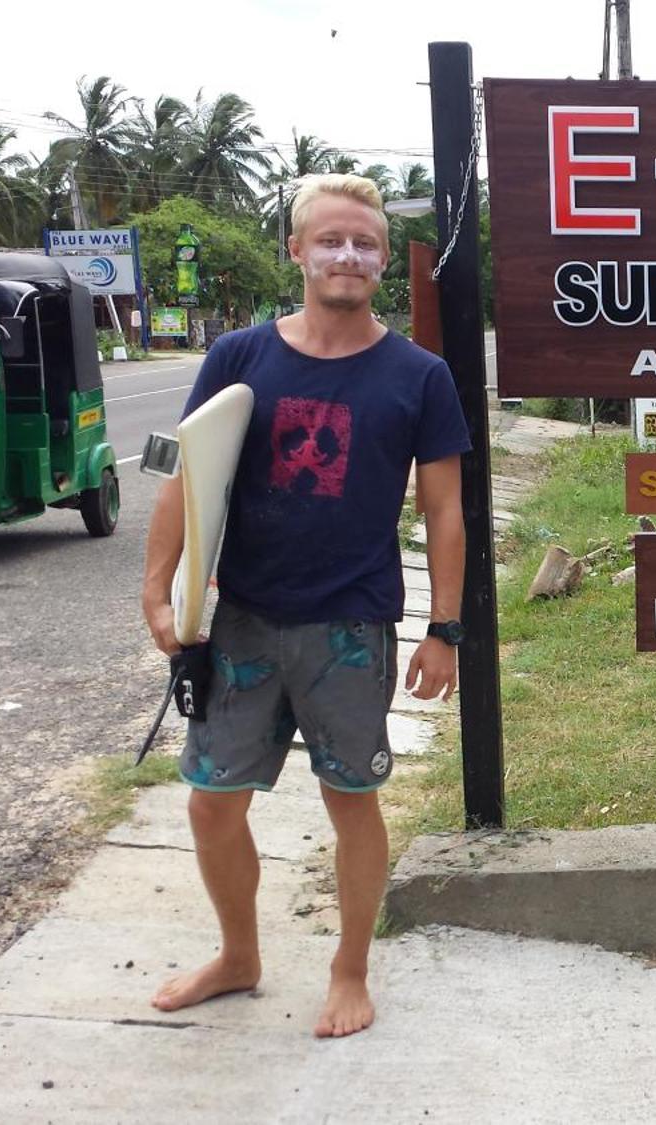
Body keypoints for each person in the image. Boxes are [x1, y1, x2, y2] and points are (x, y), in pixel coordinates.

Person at [139, 173, 472, 1039]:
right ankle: (239, 955)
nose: (348, 255)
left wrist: (444, 628)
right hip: (242, 617)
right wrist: (158, 584)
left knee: (350, 797)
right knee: (212, 800)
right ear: (297, 250)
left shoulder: (419, 376)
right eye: (331, 240)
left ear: (382, 262)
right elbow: (190, 475)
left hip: (350, 628)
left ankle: (350, 969)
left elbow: (444, 510)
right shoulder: (239, 359)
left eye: (365, 243)